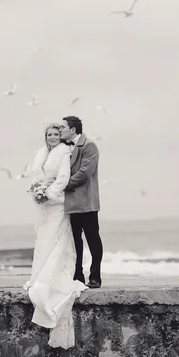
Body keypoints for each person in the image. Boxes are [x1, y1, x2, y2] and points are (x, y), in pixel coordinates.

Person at [24, 123, 87, 349]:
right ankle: (39, 274)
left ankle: (53, 276)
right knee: (43, 240)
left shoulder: (63, 154)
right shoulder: (41, 154)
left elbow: (63, 179)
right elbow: (35, 177)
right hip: (44, 207)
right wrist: (36, 193)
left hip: (57, 204)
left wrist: (48, 194)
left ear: (61, 137)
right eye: (48, 135)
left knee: (56, 240)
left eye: (55, 134)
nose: (51, 138)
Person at [60, 116, 103, 288]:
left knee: (92, 239)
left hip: (86, 202)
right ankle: (78, 275)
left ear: (72, 129)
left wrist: (60, 185)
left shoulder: (89, 146)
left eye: (63, 127)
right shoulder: (62, 148)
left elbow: (84, 173)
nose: (60, 129)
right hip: (69, 204)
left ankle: (95, 276)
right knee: (74, 241)